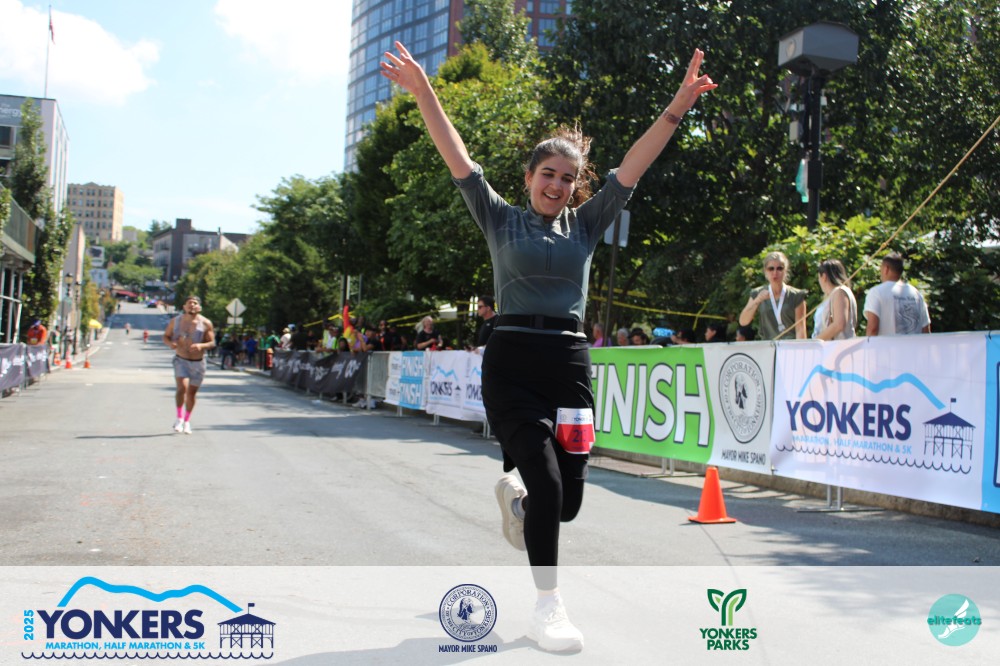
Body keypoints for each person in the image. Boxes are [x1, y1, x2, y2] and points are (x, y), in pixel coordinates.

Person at [381, 39, 715, 652]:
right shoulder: (498, 217)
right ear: (529, 177)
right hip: (511, 362)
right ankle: (547, 607)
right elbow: (455, 153)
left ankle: (522, 502)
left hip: (569, 365)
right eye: (547, 175)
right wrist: (424, 90)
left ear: (576, 185)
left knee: (566, 503)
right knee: (545, 479)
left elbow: (635, 165)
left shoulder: (587, 224)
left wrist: (679, 105)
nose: (557, 185)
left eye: (567, 178)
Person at [163, 296, 216, 434]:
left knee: (191, 393)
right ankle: (179, 418)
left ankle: (187, 421)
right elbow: (166, 336)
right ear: (184, 306)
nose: (192, 305)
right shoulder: (176, 321)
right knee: (182, 387)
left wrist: (201, 345)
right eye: (189, 303)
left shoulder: (206, 323)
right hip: (181, 360)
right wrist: (170, 344)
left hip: (198, 363)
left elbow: (212, 342)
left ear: (199, 307)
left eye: (195, 303)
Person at [738, 251, 808, 340]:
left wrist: (801, 348)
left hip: (790, 345)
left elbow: (800, 329)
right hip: (768, 345)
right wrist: (757, 301)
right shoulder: (757, 293)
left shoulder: (796, 295)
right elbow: (743, 321)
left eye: (779, 268)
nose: (775, 273)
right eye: (771, 269)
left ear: (785, 270)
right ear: (765, 271)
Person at [863, 251, 931, 336]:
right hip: (914, 344)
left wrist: (869, 344)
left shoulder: (876, 292)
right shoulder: (916, 294)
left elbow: (873, 329)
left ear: (886, 269)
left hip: (887, 344)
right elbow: (926, 330)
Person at [814, 259, 858, 341]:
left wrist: (815, 341)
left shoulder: (840, 292)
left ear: (824, 277)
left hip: (838, 346)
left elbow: (839, 324)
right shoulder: (832, 295)